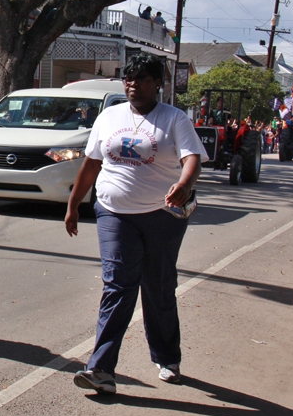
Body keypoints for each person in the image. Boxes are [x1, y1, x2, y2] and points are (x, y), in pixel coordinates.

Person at [64, 54, 206, 395]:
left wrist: (184, 184)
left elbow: (192, 159)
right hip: (113, 213)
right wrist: (72, 204)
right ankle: (100, 368)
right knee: (118, 284)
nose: (133, 84)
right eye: (128, 78)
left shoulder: (174, 119)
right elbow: (92, 162)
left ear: (158, 83)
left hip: (162, 215)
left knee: (157, 287)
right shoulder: (109, 116)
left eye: (142, 78)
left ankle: (167, 357)